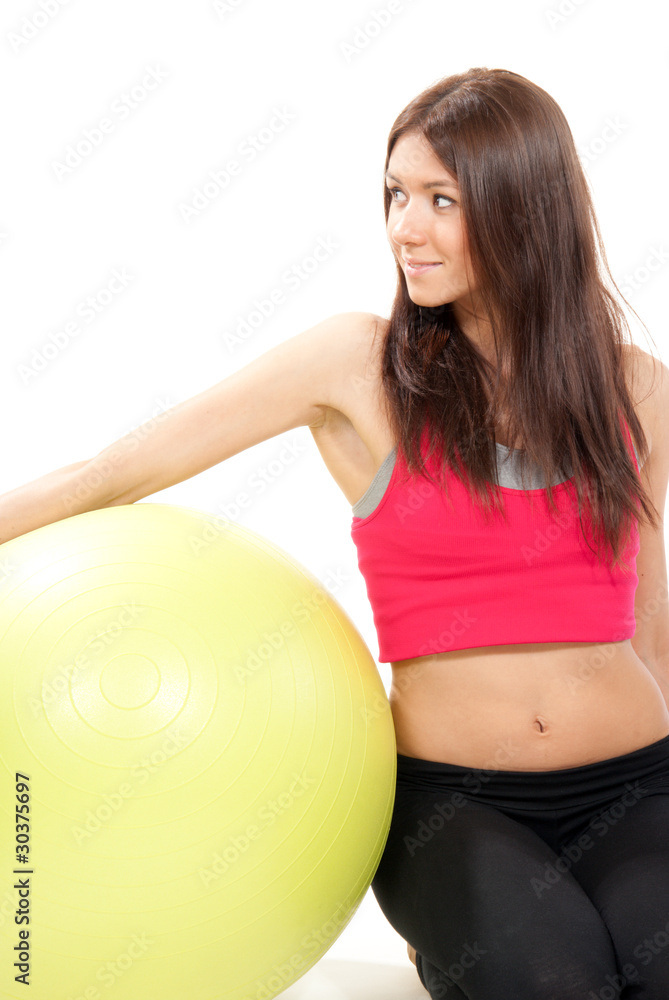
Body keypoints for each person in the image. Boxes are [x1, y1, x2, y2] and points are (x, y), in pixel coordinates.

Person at [1, 66, 668, 998]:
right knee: (555, 984)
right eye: (396, 193)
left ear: (526, 206)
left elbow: (648, 615)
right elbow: (112, 474)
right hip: (457, 805)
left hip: (637, 785)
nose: (405, 228)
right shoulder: (358, 367)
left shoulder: (633, 386)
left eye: (441, 199)